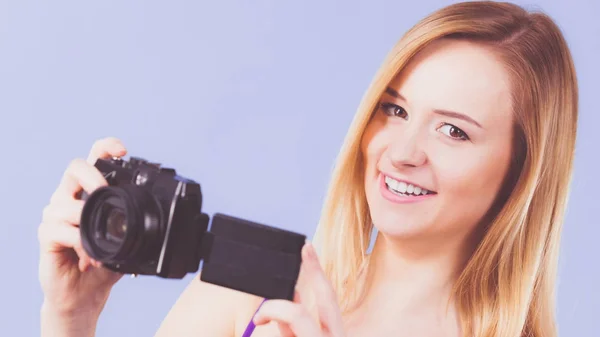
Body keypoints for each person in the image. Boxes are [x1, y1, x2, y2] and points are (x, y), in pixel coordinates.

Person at [38, 1, 579, 336]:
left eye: (453, 130)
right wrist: (70, 320)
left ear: (520, 173)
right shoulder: (250, 293)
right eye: (395, 110)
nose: (402, 151)